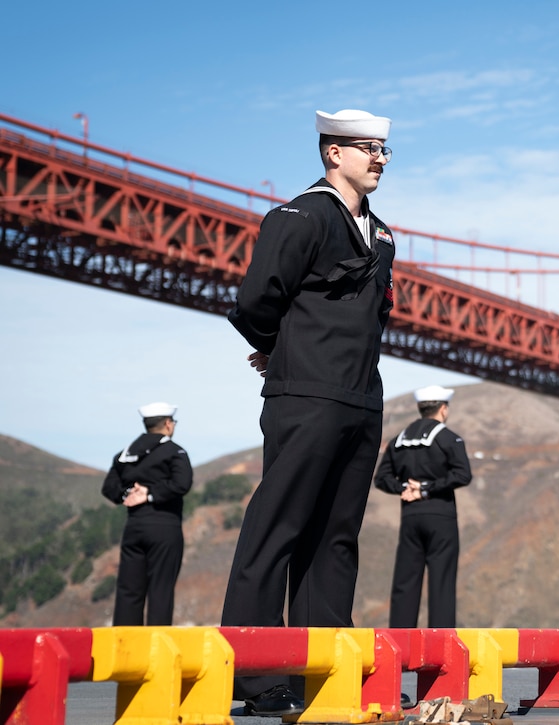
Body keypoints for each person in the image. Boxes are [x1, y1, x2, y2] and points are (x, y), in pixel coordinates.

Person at [221, 108, 395, 717]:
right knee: (279, 526)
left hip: (361, 399)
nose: (379, 158)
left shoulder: (383, 233)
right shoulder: (300, 216)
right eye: (367, 148)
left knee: (335, 538)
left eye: (385, 150)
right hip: (308, 396)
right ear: (332, 154)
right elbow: (254, 299)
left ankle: (322, 675)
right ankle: (256, 677)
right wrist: (280, 352)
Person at [374, 385, 472, 628]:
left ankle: (399, 644)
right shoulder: (449, 438)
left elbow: (381, 478)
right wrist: (427, 488)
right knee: (441, 583)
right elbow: (463, 475)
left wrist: (405, 488)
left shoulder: (399, 440)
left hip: (410, 517)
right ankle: (441, 648)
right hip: (441, 516)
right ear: (443, 408)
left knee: (405, 582)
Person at [100, 402, 192, 626]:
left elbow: (108, 488)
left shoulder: (125, 455)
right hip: (164, 527)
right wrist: (150, 494)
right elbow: (182, 483)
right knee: (160, 590)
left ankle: (124, 649)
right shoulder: (174, 452)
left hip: (134, 528)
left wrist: (127, 495)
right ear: (168, 424)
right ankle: (156, 649)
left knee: (129, 591)